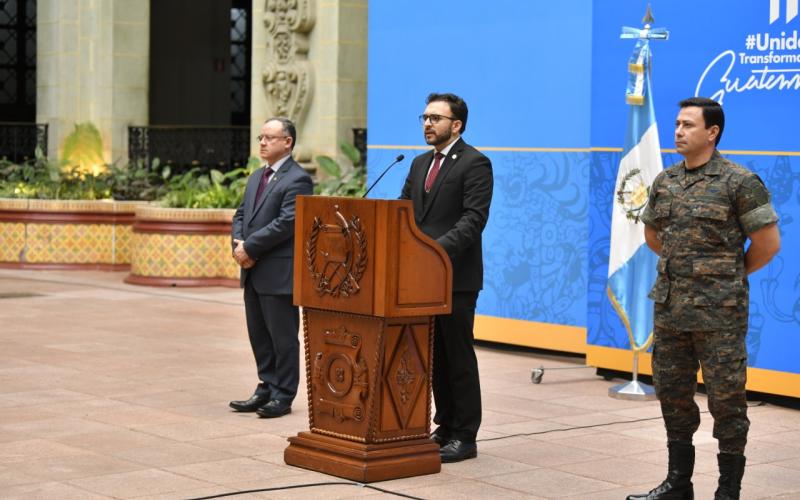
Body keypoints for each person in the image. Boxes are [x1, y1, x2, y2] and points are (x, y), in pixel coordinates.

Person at [628, 97, 780, 500]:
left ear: (712, 132)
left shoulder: (739, 182)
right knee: (673, 395)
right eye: (677, 124)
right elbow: (652, 234)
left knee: (726, 402)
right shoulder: (667, 180)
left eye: (688, 125)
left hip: (719, 315)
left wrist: (726, 273)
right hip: (671, 307)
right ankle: (679, 482)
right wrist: (689, 268)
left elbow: (767, 243)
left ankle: (728, 490)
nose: (678, 131)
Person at [400, 93, 493, 463]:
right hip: (422, 275)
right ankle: (446, 425)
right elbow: (403, 211)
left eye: (435, 118)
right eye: (424, 117)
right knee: (433, 354)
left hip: (455, 275)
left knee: (457, 354)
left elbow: (473, 220)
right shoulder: (420, 163)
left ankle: (466, 434)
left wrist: (433, 253)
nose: (427, 124)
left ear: (456, 125)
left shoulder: (475, 163)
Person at [229, 117, 313, 418]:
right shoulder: (256, 176)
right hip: (252, 270)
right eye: (261, 138)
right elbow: (241, 215)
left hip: (278, 273)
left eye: (269, 138)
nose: (263, 143)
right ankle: (266, 385)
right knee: (259, 334)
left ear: (287, 142)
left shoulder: (298, 179)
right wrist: (239, 246)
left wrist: (250, 247)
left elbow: (288, 223)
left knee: (283, 337)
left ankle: (283, 394)